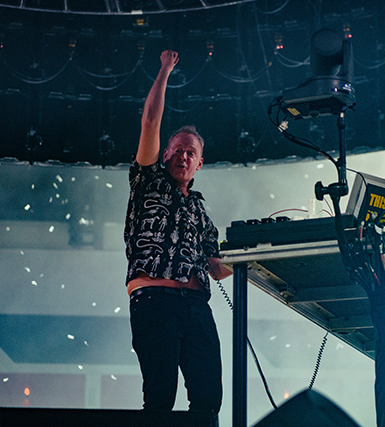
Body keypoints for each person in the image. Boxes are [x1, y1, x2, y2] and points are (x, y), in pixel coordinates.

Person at [124, 49, 232, 416]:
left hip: (196, 306)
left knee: (209, 399)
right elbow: (150, 121)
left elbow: (217, 267)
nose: (183, 156)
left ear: (200, 163)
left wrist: (255, 257)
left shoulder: (201, 212)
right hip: (155, 301)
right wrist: (165, 70)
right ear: (165, 154)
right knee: (160, 398)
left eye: (191, 152)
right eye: (177, 150)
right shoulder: (147, 181)